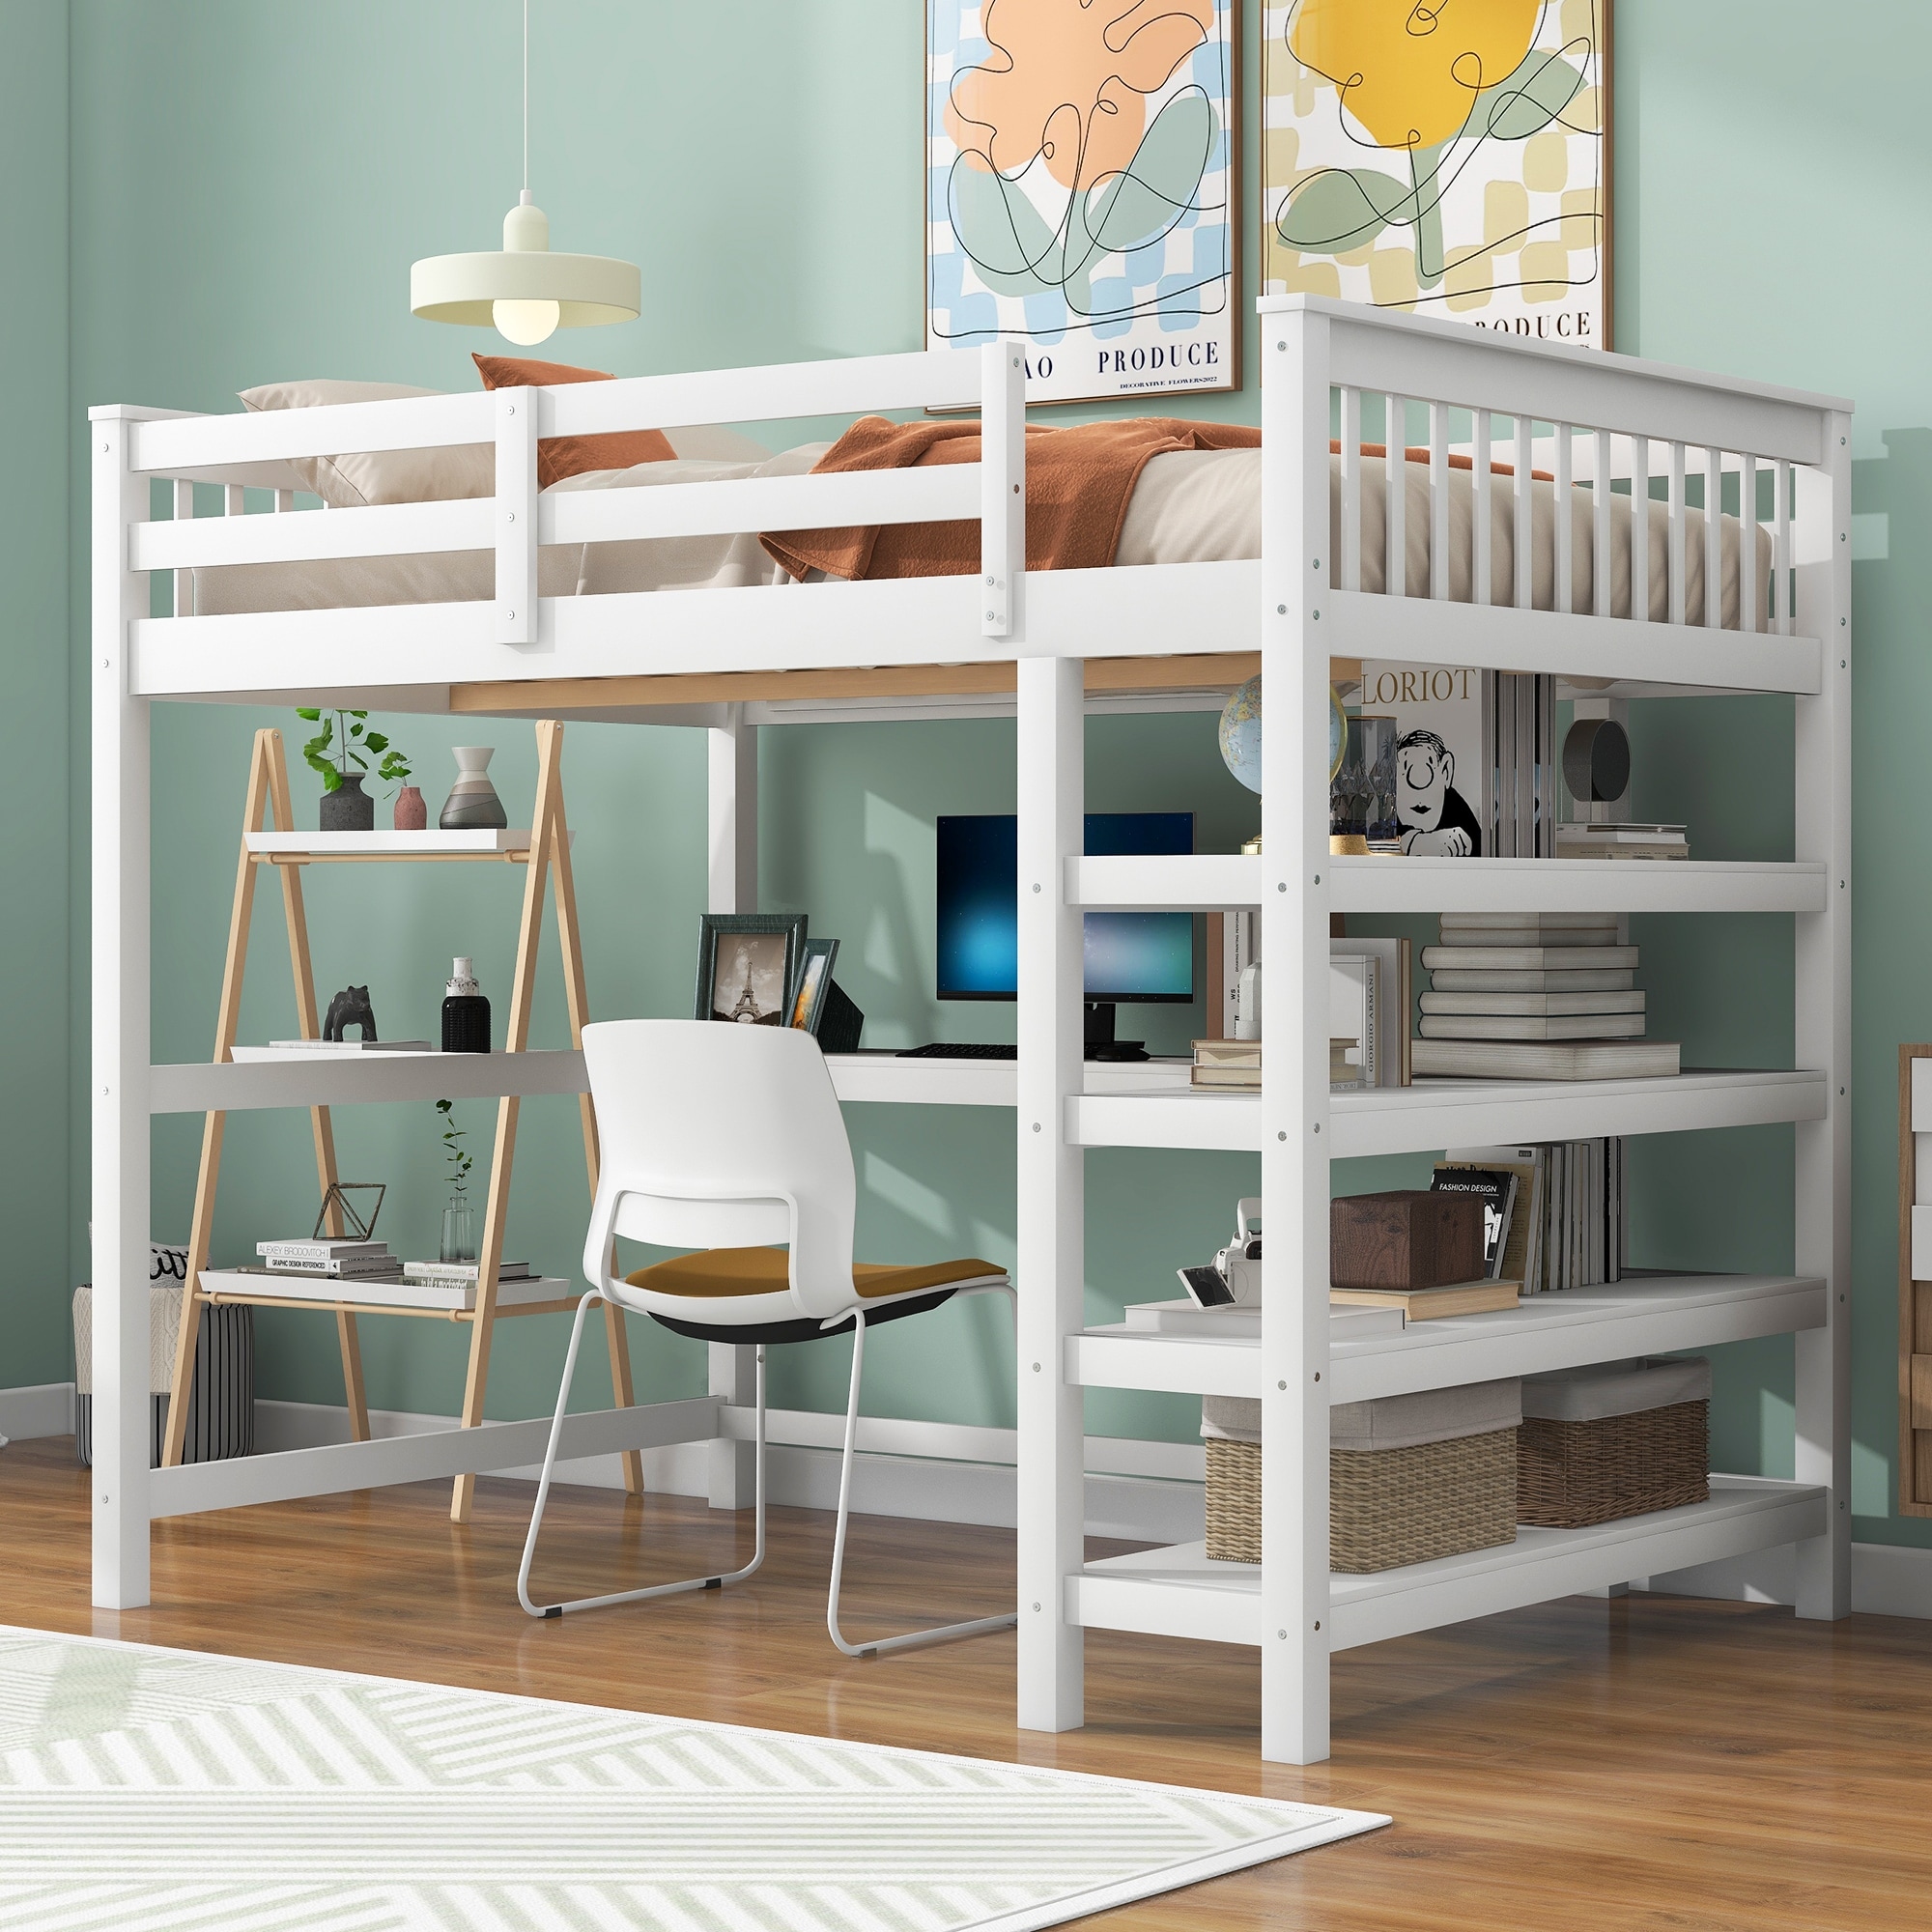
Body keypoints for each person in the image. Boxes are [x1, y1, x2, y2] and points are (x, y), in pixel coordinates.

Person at [1394, 727, 1483, 856]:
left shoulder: (1456, 807)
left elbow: (1478, 846)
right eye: (1406, 768)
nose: (1419, 786)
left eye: (1427, 769)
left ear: (1446, 771)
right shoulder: (1385, 806)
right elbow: (1364, 841)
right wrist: (1411, 842)